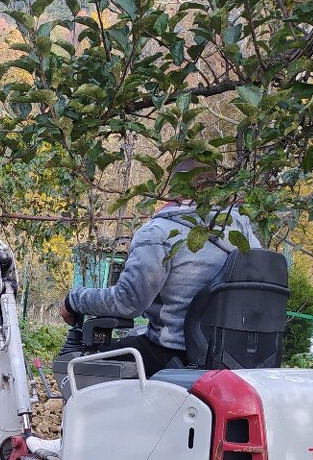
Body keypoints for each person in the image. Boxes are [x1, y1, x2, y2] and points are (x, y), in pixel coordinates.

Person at [58, 160, 262, 376]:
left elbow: (128, 302)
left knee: (80, 368)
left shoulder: (159, 232)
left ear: (172, 187)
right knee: (137, 335)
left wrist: (73, 300)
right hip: (240, 359)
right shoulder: (243, 232)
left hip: (177, 355)